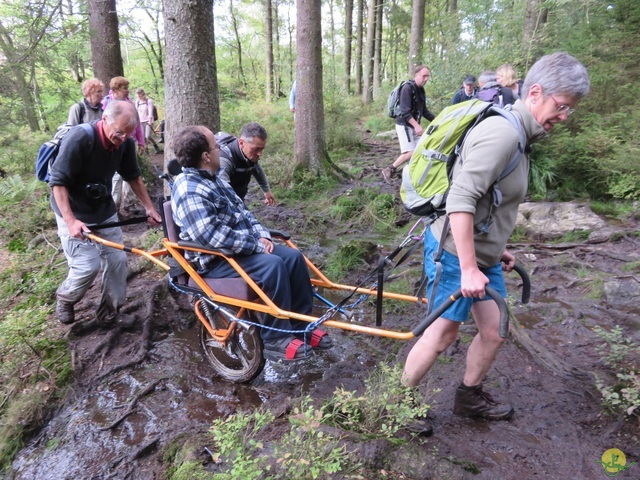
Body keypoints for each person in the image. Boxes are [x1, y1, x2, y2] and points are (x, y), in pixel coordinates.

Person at [402, 52, 589, 424]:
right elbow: (461, 198)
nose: (565, 116)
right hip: (454, 253)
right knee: (441, 334)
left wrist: (498, 249)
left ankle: (468, 397)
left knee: (494, 331)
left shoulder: (521, 135)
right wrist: (470, 268)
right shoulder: (503, 133)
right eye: (562, 106)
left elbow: (493, 200)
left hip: (481, 255)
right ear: (535, 92)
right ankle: (395, 404)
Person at [170, 125, 332, 361]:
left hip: (238, 249)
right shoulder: (189, 188)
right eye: (216, 147)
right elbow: (213, 237)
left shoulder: (215, 179)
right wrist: (256, 245)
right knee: (272, 265)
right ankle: (276, 338)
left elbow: (244, 213)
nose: (220, 150)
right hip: (214, 260)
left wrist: (263, 235)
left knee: (294, 258)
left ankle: (301, 326)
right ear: (206, 156)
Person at [49, 100, 162, 327]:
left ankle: (110, 312)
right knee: (87, 265)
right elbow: (58, 182)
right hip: (72, 211)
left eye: (127, 135)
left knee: (117, 261)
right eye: (118, 133)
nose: (121, 139)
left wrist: (149, 207)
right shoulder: (80, 139)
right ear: (104, 120)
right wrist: (70, 221)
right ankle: (66, 298)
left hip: (103, 209)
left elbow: (133, 176)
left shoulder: (125, 144)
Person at [381, 65, 436, 183]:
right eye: (424, 76)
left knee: (421, 149)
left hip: (413, 125)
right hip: (404, 125)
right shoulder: (407, 88)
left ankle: (413, 173)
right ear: (416, 75)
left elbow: (424, 111)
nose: (426, 79)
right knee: (410, 152)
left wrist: (438, 120)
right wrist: (416, 126)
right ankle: (389, 169)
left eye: (427, 76)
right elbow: (405, 111)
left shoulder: (421, 90)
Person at [102, 77, 145, 213]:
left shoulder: (130, 103)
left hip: (129, 144)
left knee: (130, 175)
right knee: (115, 177)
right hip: (113, 144)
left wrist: (141, 142)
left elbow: (137, 125)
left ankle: (129, 205)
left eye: (128, 87)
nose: (127, 91)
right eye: (124, 88)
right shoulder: (106, 103)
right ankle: (114, 206)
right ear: (115, 89)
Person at [217, 122, 276, 206]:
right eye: (256, 149)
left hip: (237, 198)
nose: (260, 154)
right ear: (241, 143)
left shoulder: (249, 155)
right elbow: (224, 194)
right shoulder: (224, 160)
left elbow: (257, 169)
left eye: (262, 149)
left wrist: (267, 191)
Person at [135, 88, 162, 154]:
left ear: (142, 94)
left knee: (148, 136)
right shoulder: (137, 102)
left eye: (139, 95)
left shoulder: (148, 101)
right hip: (140, 121)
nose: (139, 96)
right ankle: (146, 150)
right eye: (137, 95)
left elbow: (150, 111)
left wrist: (150, 121)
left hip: (148, 121)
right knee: (143, 137)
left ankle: (155, 146)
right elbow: (136, 111)